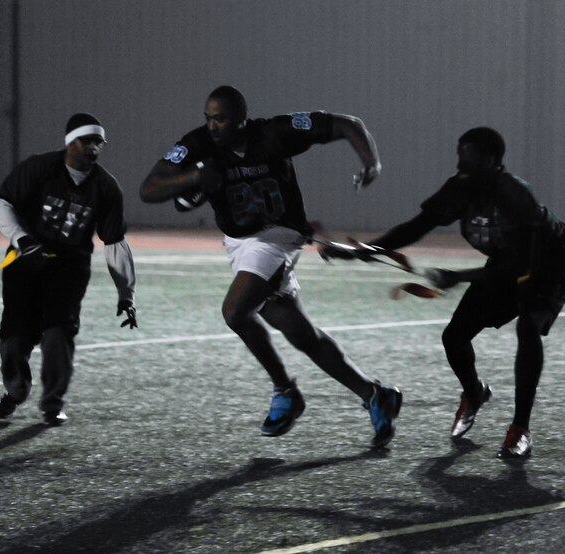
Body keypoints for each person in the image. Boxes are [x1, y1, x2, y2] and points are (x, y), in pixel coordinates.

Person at [139, 85, 402, 448]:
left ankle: (285, 391)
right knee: (300, 333)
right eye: (209, 118)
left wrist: (370, 161)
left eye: (221, 118)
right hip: (240, 243)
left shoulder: (275, 133)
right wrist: (193, 178)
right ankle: (375, 394)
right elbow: (149, 188)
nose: (213, 126)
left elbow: (347, 124)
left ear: (242, 119)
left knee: (234, 311)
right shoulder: (198, 144)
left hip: (279, 236)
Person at [322, 126, 565, 458]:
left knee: (527, 327)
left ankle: (520, 428)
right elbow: (416, 227)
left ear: (491, 160)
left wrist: (458, 276)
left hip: (552, 264)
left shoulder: (515, 195)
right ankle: (474, 393)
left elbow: (522, 266)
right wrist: (363, 250)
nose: (460, 163)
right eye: (459, 154)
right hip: (508, 262)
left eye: (469, 156)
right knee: (454, 337)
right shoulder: (461, 188)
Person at [0, 113, 137, 426]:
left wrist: (126, 293)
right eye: (88, 141)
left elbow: (114, 242)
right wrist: (22, 239)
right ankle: (16, 391)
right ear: (71, 141)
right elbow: (3, 204)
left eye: (99, 142)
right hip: (25, 260)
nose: (94, 148)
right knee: (14, 338)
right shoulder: (39, 168)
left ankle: (52, 403)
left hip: (69, 266)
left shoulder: (107, 187)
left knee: (59, 333)